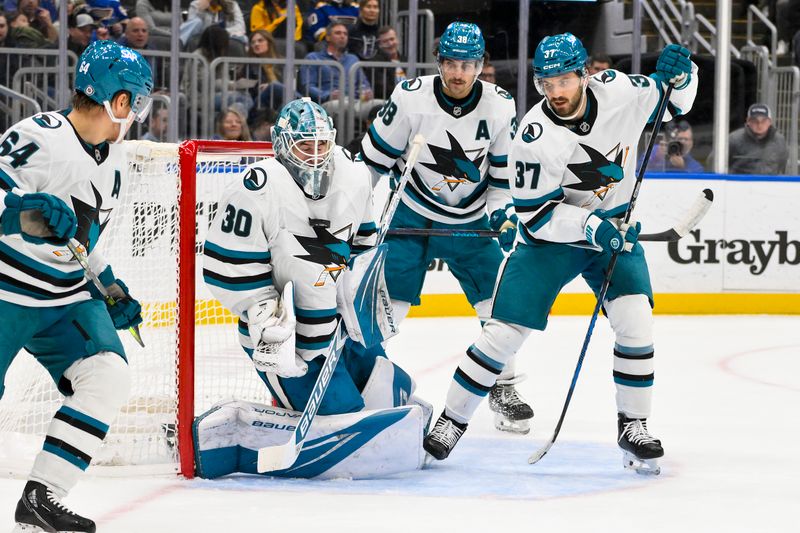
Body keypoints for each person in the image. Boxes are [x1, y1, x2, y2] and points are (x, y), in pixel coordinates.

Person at [422, 33, 698, 474]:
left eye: (563, 81)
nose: (555, 92)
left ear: (584, 74)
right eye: (546, 83)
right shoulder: (534, 135)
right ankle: (451, 421)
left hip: (612, 231)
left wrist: (684, 77)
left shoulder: (621, 91)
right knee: (502, 335)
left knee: (636, 323)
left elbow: (675, 102)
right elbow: (536, 217)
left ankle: (634, 424)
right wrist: (592, 226)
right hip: (550, 241)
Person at [197, 98, 428, 478]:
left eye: (322, 145)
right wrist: (264, 315)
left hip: (344, 329)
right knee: (346, 417)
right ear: (282, 144)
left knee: (392, 393)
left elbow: (363, 249)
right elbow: (227, 267)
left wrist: (361, 301)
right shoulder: (255, 188)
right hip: (291, 340)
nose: (316, 156)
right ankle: (243, 435)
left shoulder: (354, 178)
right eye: (305, 146)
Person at [1, 39, 152, 532]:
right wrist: (23, 208)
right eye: (138, 100)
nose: (139, 113)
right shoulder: (40, 134)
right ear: (120, 100)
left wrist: (111, 289)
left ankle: (42, 496)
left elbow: (84, 242)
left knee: (107, 375)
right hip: (6, 293)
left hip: (65, 297)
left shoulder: (113, 162)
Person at [360, 21, 534, 434]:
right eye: (452, 63)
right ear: (439, 62)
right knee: (389, 308)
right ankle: (360, 381)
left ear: (480, 65)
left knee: (500, 309)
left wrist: (502, 215)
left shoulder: (500, 105)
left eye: (468, 64)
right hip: (410, 215)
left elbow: (500, 180)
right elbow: (370, 164)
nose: (459, 73)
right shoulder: (410, 98)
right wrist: (357, 218)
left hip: (470, 223)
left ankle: (503, 387)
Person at [301, 21, 377, 122]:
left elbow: (363, 84)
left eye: (345, 34)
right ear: (328, 37)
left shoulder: (353, 59)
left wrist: (367, 92)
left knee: (382, 106)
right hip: (327, 104)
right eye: (338, 33)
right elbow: (308, 86)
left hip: (356, 101)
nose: (342, 36)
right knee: (342, 106)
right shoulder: (313, 58)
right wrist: (328, 95)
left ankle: (369, 138)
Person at [728, 102, 789, 175]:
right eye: (754, 121)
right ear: (748, 121)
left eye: (764, 121)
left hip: (769, 185)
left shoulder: (779, 141)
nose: (759, 125)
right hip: (739, 184)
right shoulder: (734, 139)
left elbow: (782, 166)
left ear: (770, 122)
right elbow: (715, 163)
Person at [640, 119, 704, 173]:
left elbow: (697, 181)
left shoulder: (695, 166)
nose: (682, 142)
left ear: (691, 143)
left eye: (686, 139)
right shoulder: (656, 150)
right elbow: (638, 170)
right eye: (679, 139)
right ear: (671, 139)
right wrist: (656, 157)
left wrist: (682, 168)